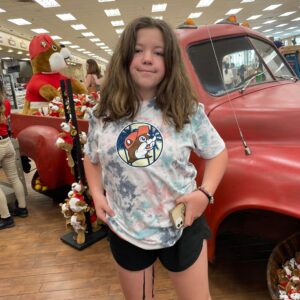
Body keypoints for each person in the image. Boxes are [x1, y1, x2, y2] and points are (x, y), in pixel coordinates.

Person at [83, 16, 228, 300]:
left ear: (170, 61)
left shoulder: (187, 111)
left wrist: (204, 193)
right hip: (127, 227)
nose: (147, 58)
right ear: (125, 57)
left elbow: (218, 152)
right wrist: (97, 195)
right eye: (138, 50)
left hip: (182, 224)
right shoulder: (103, 114)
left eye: (158, 52)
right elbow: (91, 157)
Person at [0, 81, 28, 230]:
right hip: (7, 142)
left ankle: (5, 217)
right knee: (14, 177)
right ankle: (22, 208)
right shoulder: (5, 103)